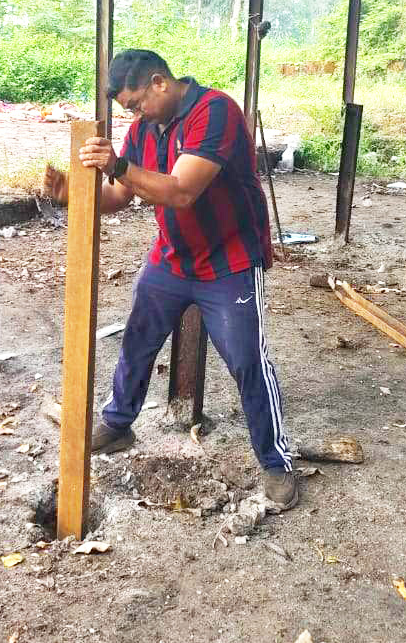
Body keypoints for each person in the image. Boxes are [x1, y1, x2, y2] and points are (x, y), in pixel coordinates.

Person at [42, 48, 297, 512]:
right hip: (173, 258)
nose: (134, 114)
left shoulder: (215, 111)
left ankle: (275, 461)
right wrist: (71, 194)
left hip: (230, 261)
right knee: (137, 339)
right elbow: (119, 196)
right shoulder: (145, 129)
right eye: (128, 109)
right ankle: (118, 423)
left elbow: (181, 192)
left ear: (159, 82)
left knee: (247, 361)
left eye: (137, 103)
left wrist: (117, 165)